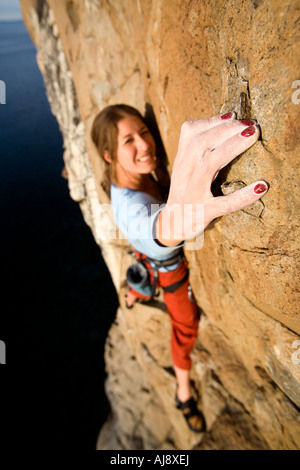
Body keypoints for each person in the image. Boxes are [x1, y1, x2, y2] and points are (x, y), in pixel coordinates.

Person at [91, 104, 268, 433]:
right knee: (185, 324)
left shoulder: (128, 177)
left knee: (141, 266)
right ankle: (183, 392)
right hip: (166, 267)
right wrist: (175, 224)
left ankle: (136, 291)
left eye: (144, 132)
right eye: (128, 140)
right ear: (108, 155)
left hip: (147, 256)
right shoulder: (129, 205)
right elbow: (150, 228)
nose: (144, 144)